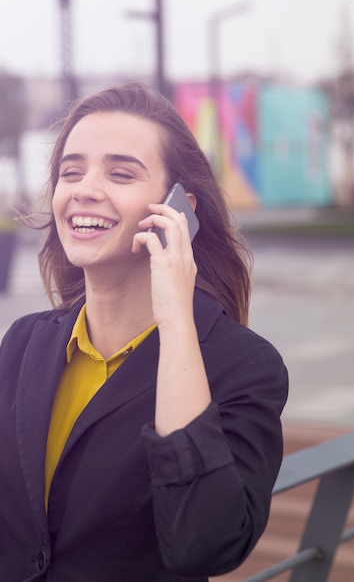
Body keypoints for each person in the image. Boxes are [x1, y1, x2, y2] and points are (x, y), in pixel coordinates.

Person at [0, 82, 288, 582]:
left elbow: (204, 544)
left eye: (120, 172)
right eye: (71, 171)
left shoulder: (243, 366)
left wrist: (176, 316)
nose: (85, 188)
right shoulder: (23, 344)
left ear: (180, 209)